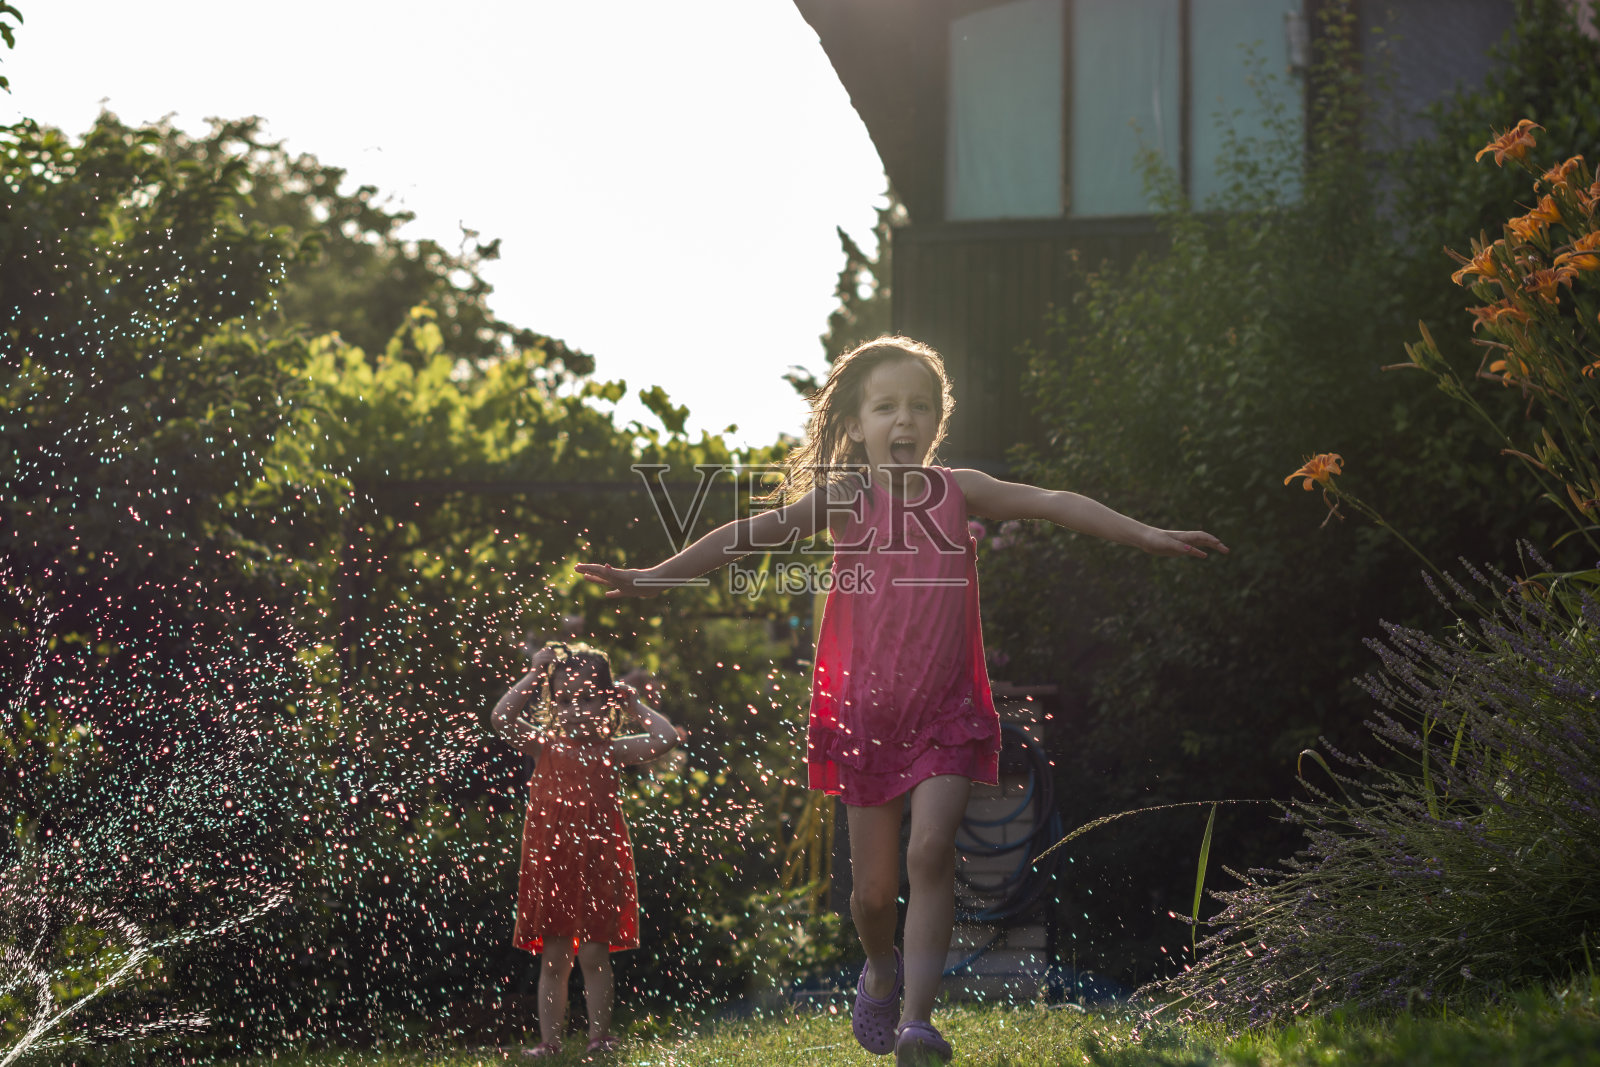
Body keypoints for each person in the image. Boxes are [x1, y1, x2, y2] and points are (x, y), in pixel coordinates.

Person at [575, 336, 1227, 1065]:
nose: (904, 418)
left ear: (937, 421)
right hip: (864, 719)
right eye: (886, 405)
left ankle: (919, 1019)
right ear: (856, 423)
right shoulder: (844, 499)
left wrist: (1147, 534)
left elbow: (1052, 502)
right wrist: (650, 577)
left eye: (920, 405)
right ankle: (880, 967)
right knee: (873, 894)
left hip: (947, 711)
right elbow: (743, 535)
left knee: (932, 851)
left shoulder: (959, 490)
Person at [491, 640, 683, 1058]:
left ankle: (599, 1037)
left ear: (605, 702)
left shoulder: (610, 751)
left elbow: (664, 738)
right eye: (563, 699)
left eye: (587, 698)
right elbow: (501, 717)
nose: (575, 708)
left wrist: (633, 703)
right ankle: (550, 1042)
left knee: (595, 952)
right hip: (553, 863)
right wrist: (534, 676)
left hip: (599, 861)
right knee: (554, 956)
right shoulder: (543, 747)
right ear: (551, 704)